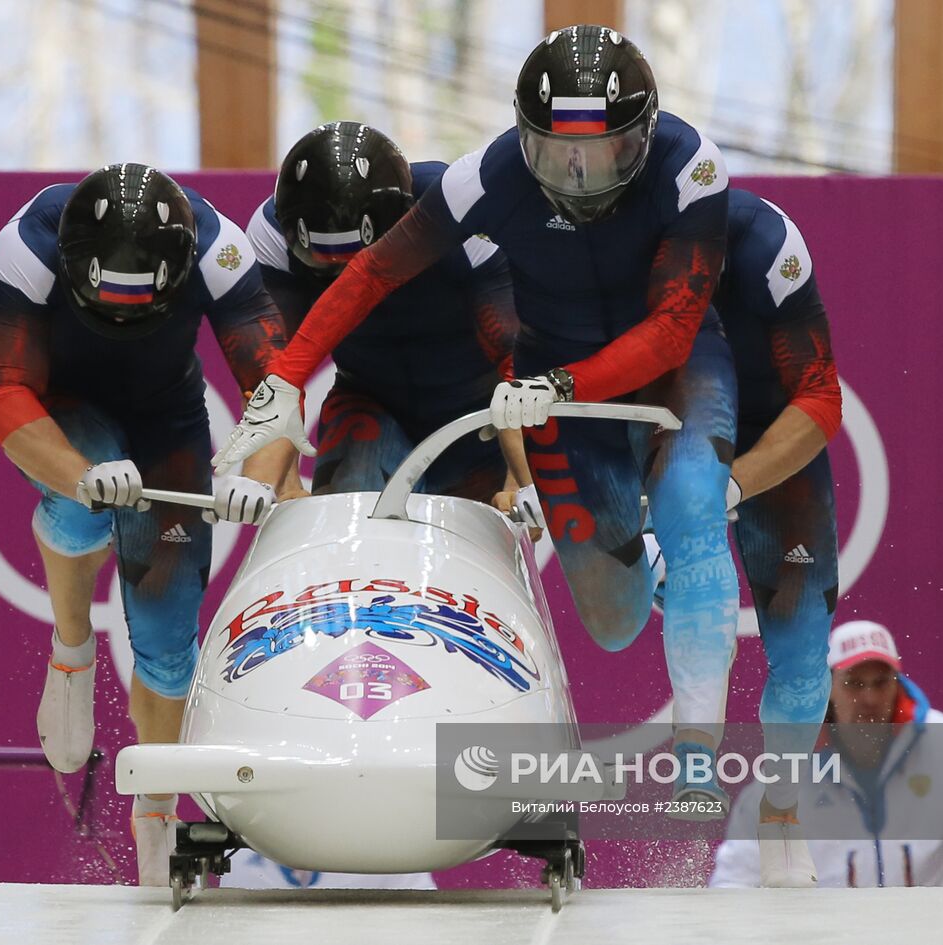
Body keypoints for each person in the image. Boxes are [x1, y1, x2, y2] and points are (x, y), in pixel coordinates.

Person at [214, 25, 746, 830]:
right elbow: (368, 277)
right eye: (560, 153)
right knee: (609, 619)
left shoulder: (694, 168)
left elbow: (653, 334)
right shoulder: (478, 182)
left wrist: (520, 468)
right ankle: (354, 722)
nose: (579, 175)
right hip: (504, 388)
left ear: (641, 137)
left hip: (597, 379)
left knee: (695, 496)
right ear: (525, 140)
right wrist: (285, 382)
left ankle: (698, 760)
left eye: (604, 152)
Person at [0, 163, 295, 884]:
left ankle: (156, 808)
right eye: (107, 299)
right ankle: (72, 648)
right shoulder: (28, 244)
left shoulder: (219, 252)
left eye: (140, 301)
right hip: (66, 407)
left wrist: (256, 476)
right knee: (87, 496)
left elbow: (277, 388)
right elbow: (2, 395)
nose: (122, 316)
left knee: (167, 648)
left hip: (166, 420)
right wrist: (79, 475)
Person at [645, 188, 842, 885]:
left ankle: (782, 809)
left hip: (772, 434)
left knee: (801, 649)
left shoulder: (766, 244)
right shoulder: (618, 244)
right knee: (668, 543)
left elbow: (821, 398)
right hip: (677, 421)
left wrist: (736, 483)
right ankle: (663, 561)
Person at [246, 121, 537, 521]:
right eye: (322, 262)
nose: (345, 283)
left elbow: (516, 365)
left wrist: (521, 484)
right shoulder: (270, 233)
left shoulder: (459, 215)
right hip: (368, 402)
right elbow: (280, 375)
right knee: (349, 533)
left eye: (356, 261)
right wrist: (268, 485)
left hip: (479, 414)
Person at [709, 620, 943, 888]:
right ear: (826, 689)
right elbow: (736, 880)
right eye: (854, 683)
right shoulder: (789, 766)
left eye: (881, 681)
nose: (870, 698)